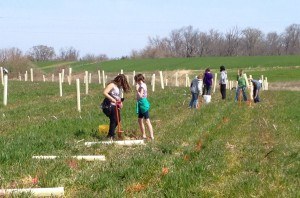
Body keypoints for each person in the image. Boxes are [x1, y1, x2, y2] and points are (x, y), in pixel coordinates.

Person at [103, 74, 131, 140]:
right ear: (119, 80)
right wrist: (112, 99)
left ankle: (110, 134)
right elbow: (104, 92)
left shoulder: (119, 87)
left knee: (118, 119)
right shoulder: (112, 85)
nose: (122, 85)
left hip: (115, 105)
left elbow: (118, 97)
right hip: (108, 105)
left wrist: (120, 102)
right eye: (121, 83)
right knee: (114, 119)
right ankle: (111, 135)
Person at [134, 74, 154, 140]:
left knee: (147, 120)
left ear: (139, 80)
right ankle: (144, 135)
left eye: (136, 80)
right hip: (140, 104)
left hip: (143, 104)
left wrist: (137, 90)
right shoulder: (142, 85)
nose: (135, 82)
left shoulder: (142, 86)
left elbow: (141, 96)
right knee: (140, 120)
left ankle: (152, 136)